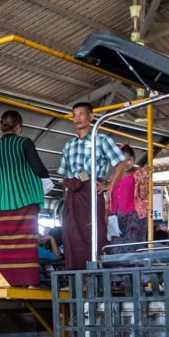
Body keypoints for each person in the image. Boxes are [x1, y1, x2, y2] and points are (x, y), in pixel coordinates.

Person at [57, 102, 132, 270]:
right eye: (74, 115)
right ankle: (77, 278)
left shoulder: (101, 139)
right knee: (71, 233)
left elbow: (122, 162)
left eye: (81, 114)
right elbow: (64, 173)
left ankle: (95, 276)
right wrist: (67, 196)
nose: (77, 118)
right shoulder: (69, 145)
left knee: (94, 232)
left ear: (91, 117)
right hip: (73, 193)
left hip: (91, 190)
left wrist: (110, 185)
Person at [0, 110, 50, 287]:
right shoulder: (24, 142)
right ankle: (30, 283)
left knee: (5, 244)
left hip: (2, 202)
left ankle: (6, 282)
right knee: (27, 242)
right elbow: (39, 169)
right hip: (26, 200)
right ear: (19, 126)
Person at [107, 144, 148, 253]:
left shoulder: (139, 173)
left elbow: (145, 192)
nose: (127, 162)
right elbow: (108, 200)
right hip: (117, 217)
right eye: (122, 160)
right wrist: (107, 215)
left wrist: (140, 171)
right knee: (116, 248)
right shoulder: (113, 178)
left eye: (129, 159)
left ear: (133, 159)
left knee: (133, 247)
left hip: (135, 216)